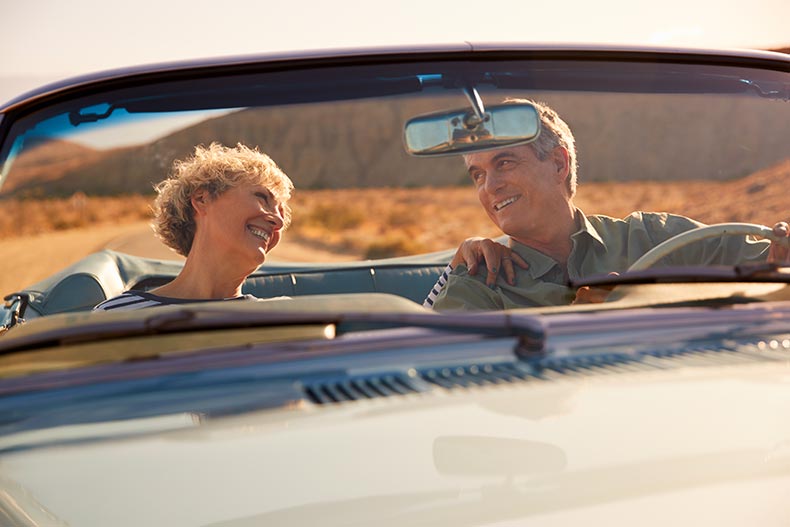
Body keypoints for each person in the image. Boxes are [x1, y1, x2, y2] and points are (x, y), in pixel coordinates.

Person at [425, 99, 790, 311]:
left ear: (558, 163)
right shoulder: (478, 285)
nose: (490, 185)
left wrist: (780, 253)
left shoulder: (652, 237)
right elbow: (452, 393)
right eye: (477, 175)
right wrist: (577, 329)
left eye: (504, 163)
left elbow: (771, 265)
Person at [94, 142, 293, 311]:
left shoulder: (287, 316)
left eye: (281, 212)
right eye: (262, 197)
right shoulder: (116, 315)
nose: (278, 221)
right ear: (201, 199)